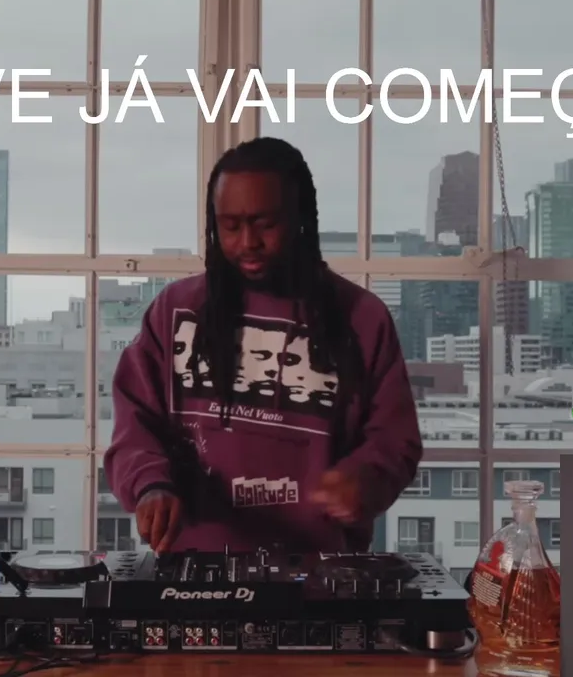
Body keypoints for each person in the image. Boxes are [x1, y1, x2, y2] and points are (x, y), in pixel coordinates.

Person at [103, 136, 422, 554]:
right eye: (230, 226)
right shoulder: (175, 309)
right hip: (192, 569)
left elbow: (395, 439)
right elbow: (135, 420)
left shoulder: (362, 317)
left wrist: (367, 476)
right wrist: (150, 485)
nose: (247, 242)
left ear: (300, 218)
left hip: (322, 570)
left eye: (265, 224)